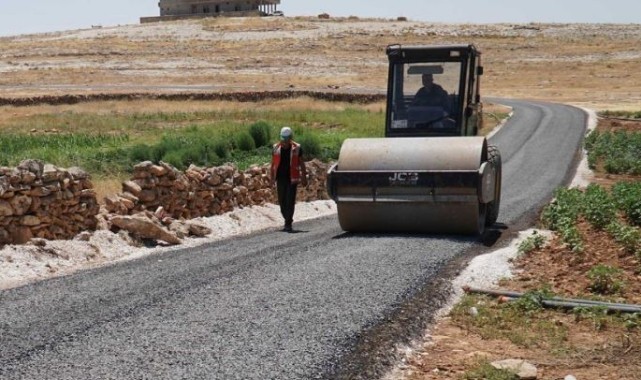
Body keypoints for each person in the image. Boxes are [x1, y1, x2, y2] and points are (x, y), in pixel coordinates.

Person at [270, 127, 307, 232]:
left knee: (290, 201)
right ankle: (287, 218)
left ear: (290, 138)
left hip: (292, 178)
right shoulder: (275, 148)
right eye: (283, 139)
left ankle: (288, 223)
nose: (284, 141)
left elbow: (301, 163)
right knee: (282, 201)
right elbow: (273, 165)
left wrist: (303, 176)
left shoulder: (297, 148)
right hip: (280, 178)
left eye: (286, 139)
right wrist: (271, 178)